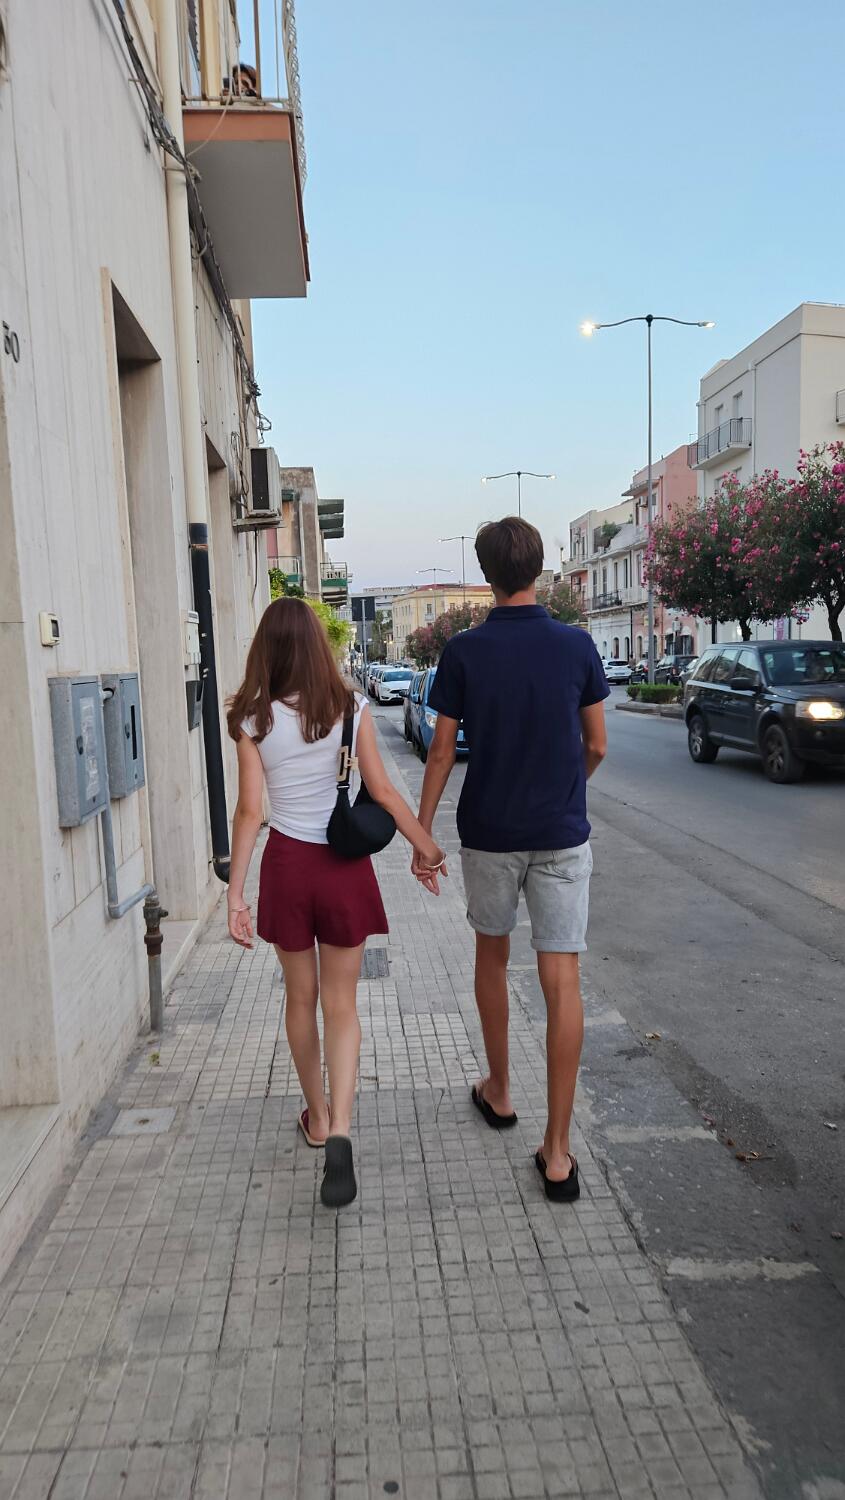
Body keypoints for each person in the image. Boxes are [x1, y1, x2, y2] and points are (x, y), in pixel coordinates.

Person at [412, 517, 608, 1202]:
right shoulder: (576, 644)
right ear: (539, 568)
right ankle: (557, 1153)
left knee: (491, 957)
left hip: (490, 833)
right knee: (562, 980)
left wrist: (421, 833)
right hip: (561, 833)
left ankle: (498, 1090)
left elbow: (441, 751)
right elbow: (596, 745)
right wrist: (567, 791)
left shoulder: (464, 652)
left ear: (486, 573)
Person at [226, 598, 445, 1209]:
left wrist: (236, 894)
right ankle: (343, 1128)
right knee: (342, 1005)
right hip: (344, 870)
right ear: (317, 649)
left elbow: (250, 811)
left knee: (301, 999)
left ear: (265, 651)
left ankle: (318, 1119)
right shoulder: (349, 708)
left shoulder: (251, 718)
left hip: (288, 869)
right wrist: (426, 848)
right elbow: (384, 791)